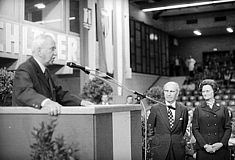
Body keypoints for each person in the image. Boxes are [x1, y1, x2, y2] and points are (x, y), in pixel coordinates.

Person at [12, 34, 93, 116]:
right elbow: (25, 92)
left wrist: (81, 102)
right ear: (39, 51)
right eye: (52, 49)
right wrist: (46, 102)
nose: (55, 53)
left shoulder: (46, 71)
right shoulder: (25, 69)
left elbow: (59, 94)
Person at [147, 81, 189, 160]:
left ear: (177, 93)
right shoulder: (155, 108)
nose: (168, 94)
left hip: (177, 149)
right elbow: (150, 129)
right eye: (166, 91)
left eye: (172, 91)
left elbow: (183, 129)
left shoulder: (183, 109)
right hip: (160, 149)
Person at [192, 79, 232, 160]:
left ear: (214, 91)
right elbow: (195, 129)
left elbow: (228, 128)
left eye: (207, 91)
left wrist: (221, 144)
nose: (205, 94)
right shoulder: (198, 109)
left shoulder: (223, 108)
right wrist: (205, 146)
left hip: (221, 150)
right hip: (204, 150)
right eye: (203, 91)